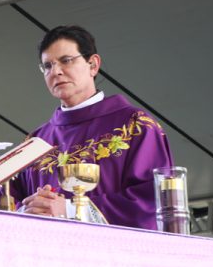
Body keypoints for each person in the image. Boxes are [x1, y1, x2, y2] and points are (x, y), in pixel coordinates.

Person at [11, 25, 173, 229]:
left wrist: (71, 210)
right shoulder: (35, 143)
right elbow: (9, 202)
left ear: (93, 65)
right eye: (48, 66)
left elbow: (154, 200)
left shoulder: (135, 125)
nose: (56, 72)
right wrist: (28, 210)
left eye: (66, 60)